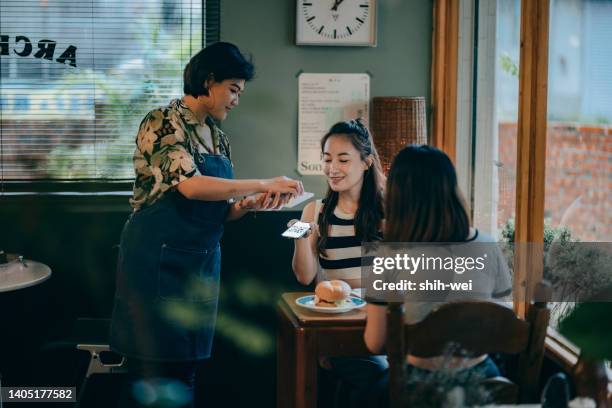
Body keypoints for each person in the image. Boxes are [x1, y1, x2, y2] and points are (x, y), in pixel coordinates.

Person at [109, 42, 303, 408]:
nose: (236, 100)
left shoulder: (217, 137)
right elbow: (192, 186)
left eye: (241, 93)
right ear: (209, 81)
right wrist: (262, 183)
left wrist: (246, 205)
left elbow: (219, 210)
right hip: (157, 263)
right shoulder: (163, 121)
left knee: (188, 367)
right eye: (233, 89)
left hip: (199, 264)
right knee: (155, 370)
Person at [363, 145, 513, 406]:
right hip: (485, 382)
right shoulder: (488, 245)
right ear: (452, 191)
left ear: (399, 199)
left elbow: (376, 343)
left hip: (419, 387)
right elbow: (500, 318)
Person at [289, 119, 388, 407]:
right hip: (337, 329)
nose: (333, 168)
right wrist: (299, 233)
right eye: (327, 159)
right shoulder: (315, 211)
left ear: (367, 162)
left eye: (343, 159)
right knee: (378, 374)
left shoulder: (389, 209)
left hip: (381, 324)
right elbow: (304, 277)